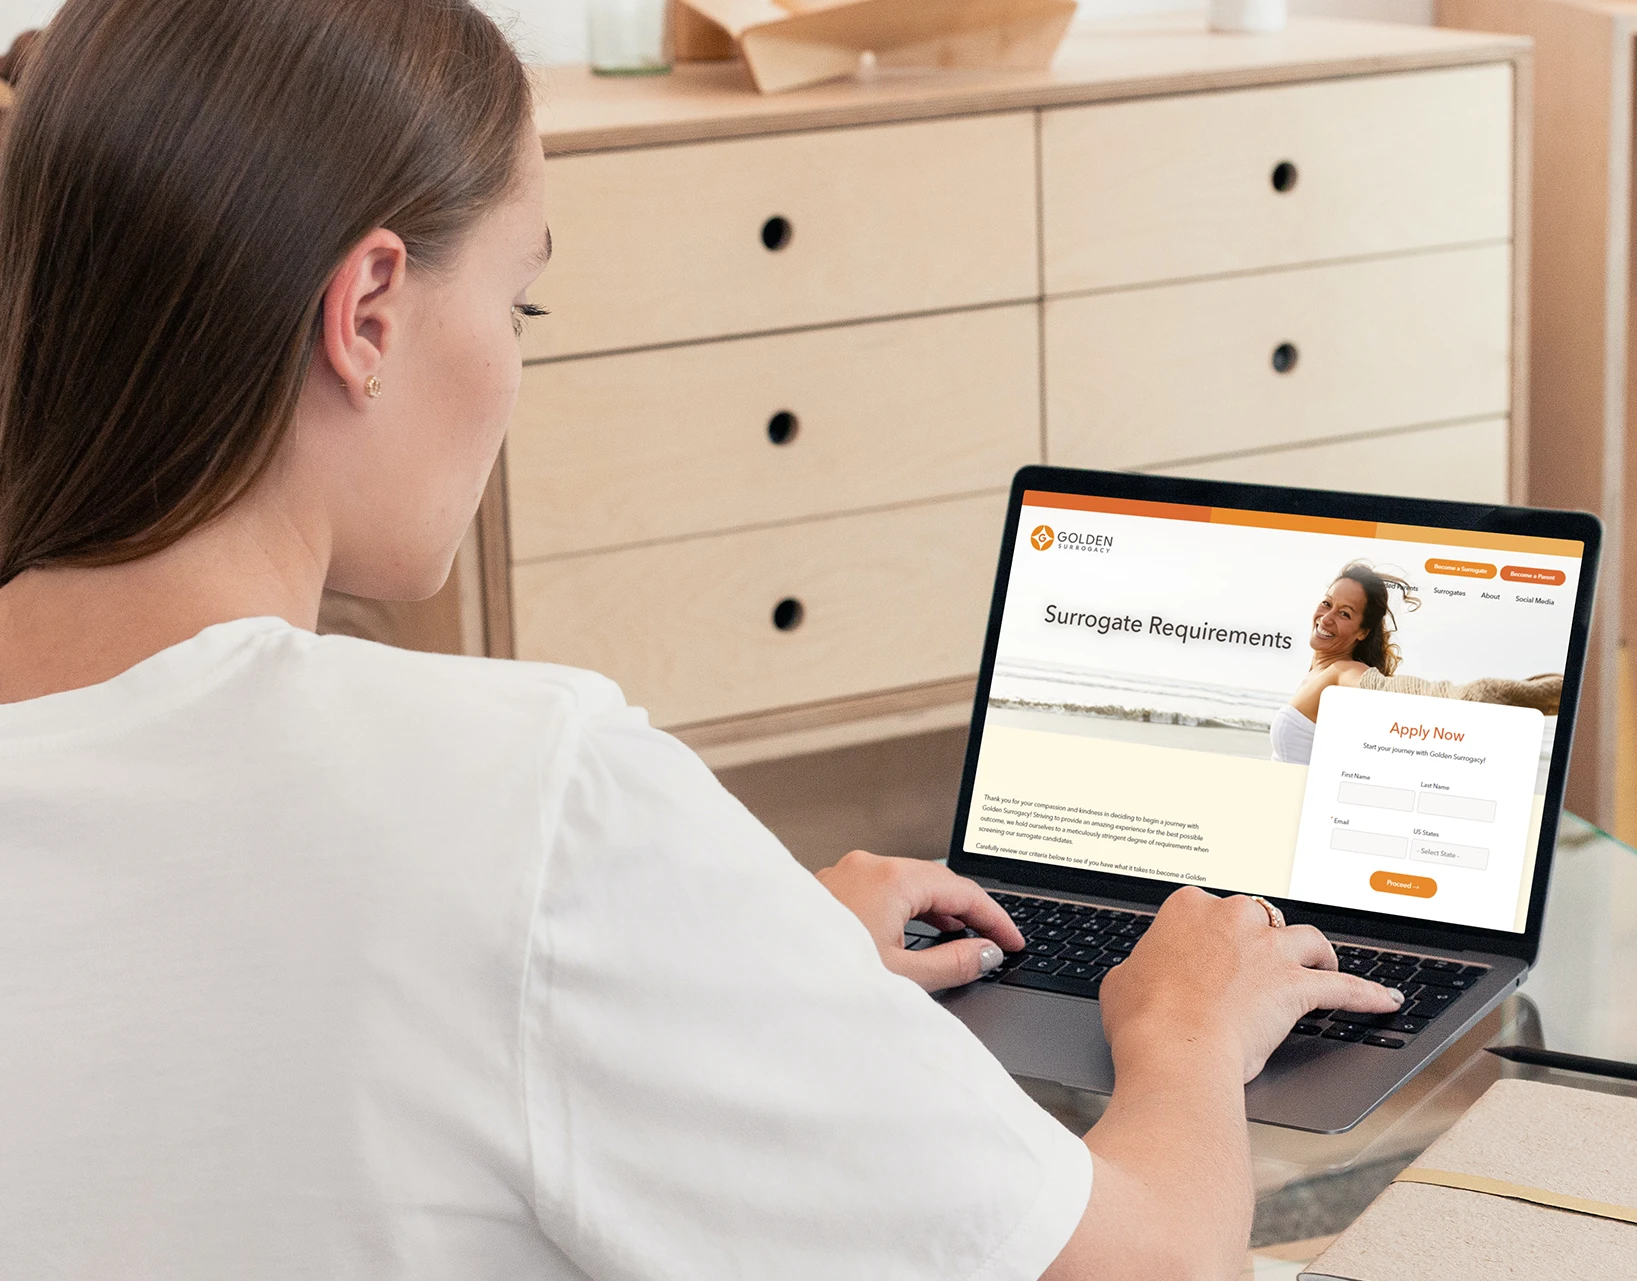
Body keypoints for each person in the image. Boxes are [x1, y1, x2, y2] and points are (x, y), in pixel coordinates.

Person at [0, 2, 1404, 1279]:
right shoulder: (521, 795)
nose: (514, 363)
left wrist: (736, 951)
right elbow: (1140, 1269)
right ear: (368, 312)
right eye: (517, 299)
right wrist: (1185, 1038)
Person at [1270, 562, 1419, 765]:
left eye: (1344, 613)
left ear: (1363, 632)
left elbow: (1376, 686)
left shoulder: (1344, 670)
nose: (1326, 619)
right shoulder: (1318, 671)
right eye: (1327, 603)